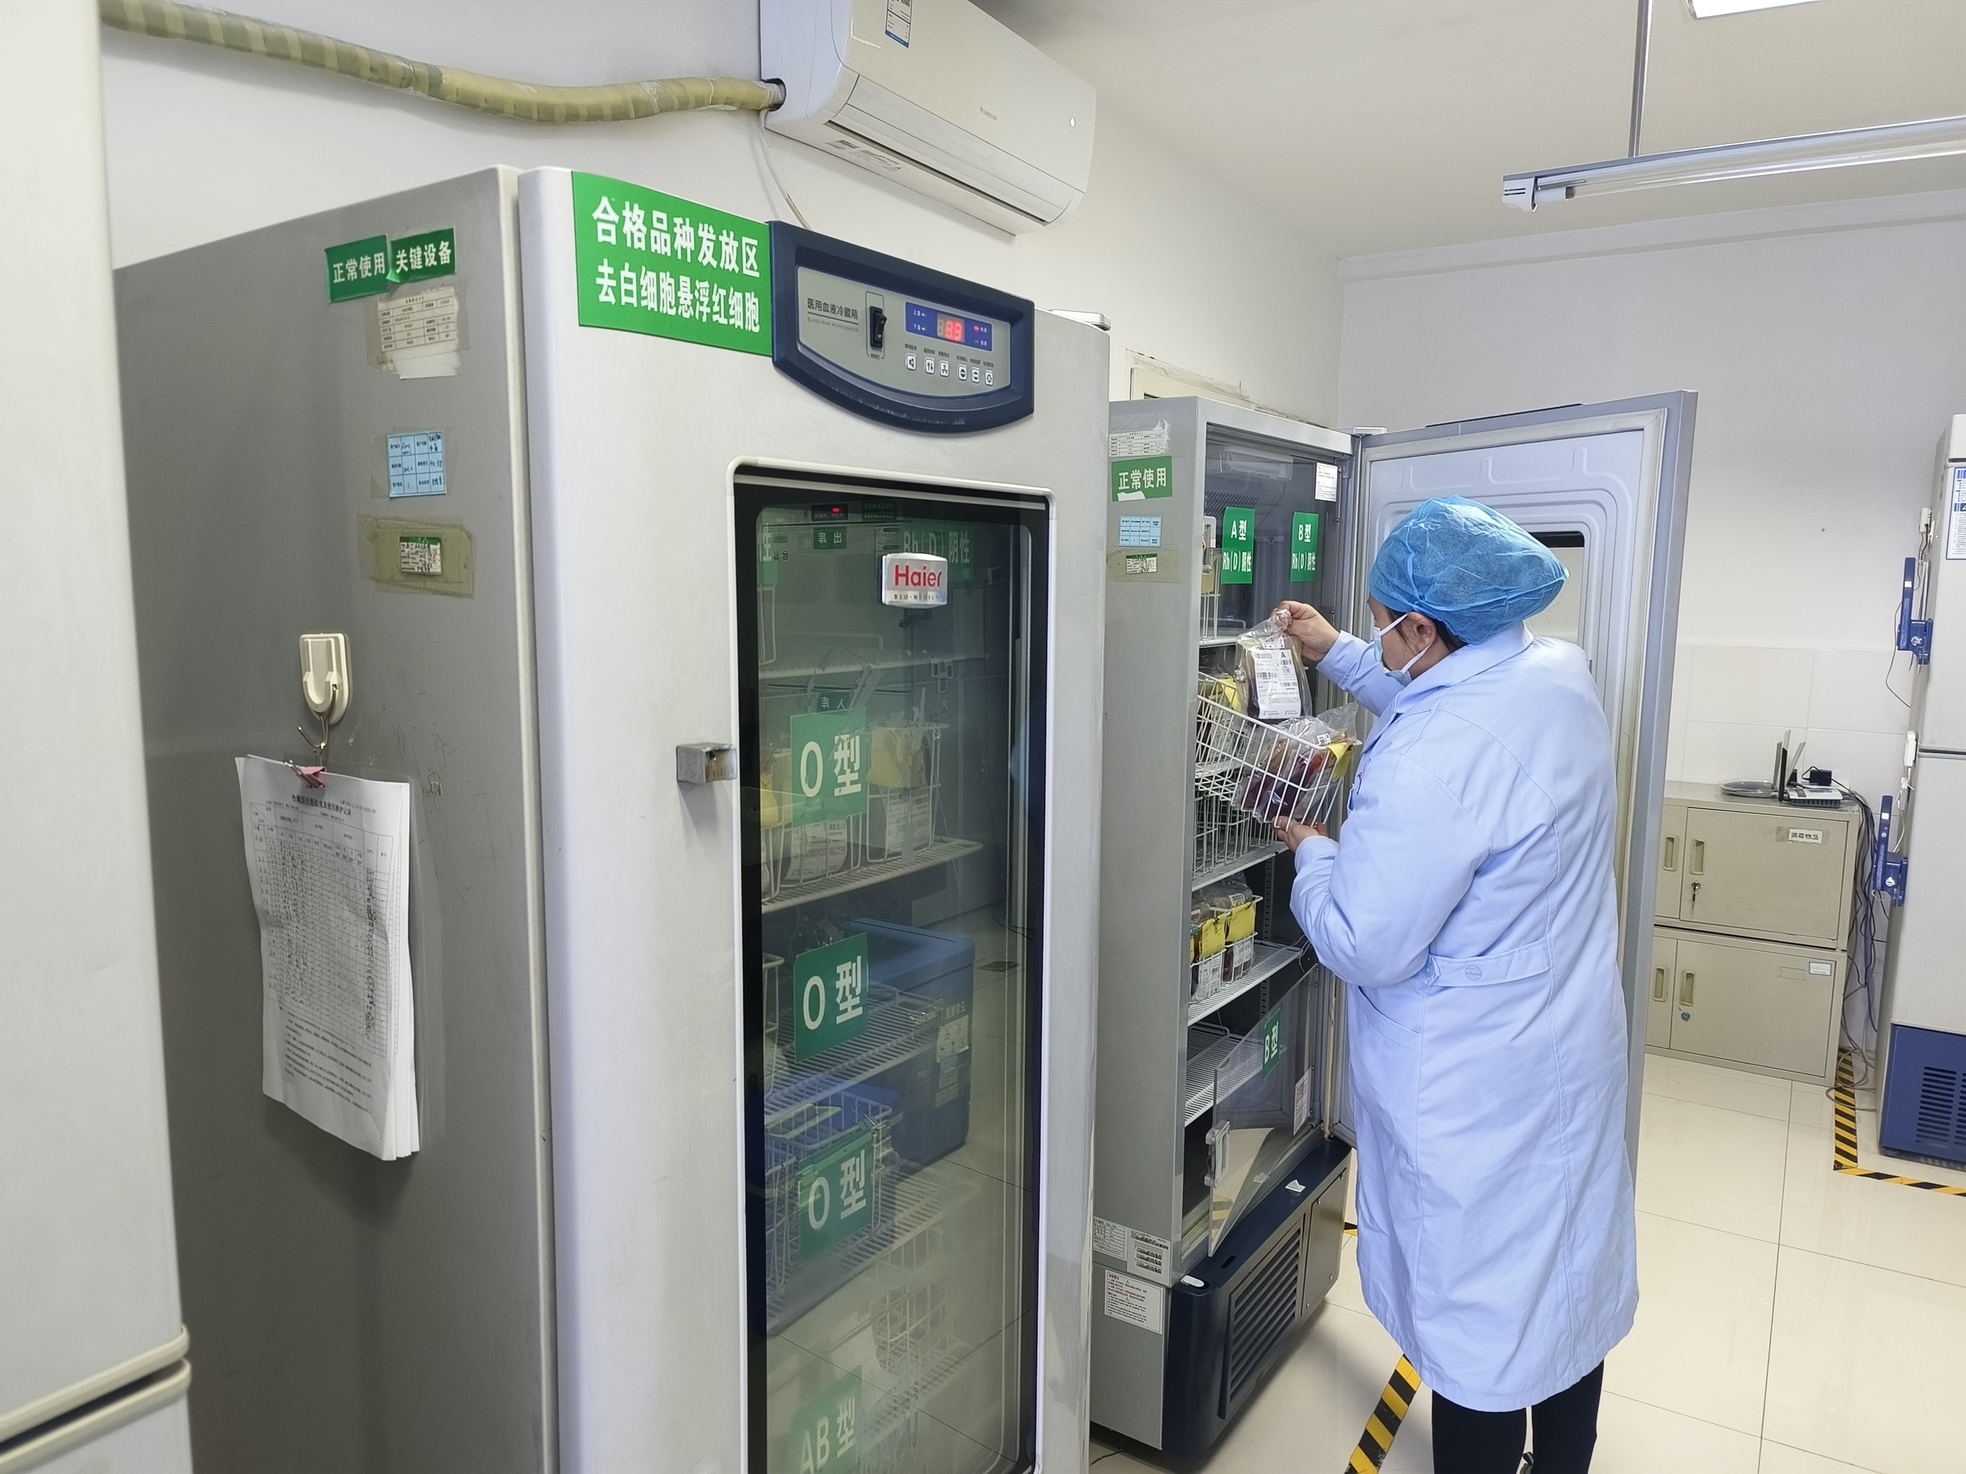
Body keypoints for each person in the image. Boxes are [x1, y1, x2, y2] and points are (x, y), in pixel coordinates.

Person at [1272, 497, 1637, 1474]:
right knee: (1562, 1295)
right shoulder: (1553, 674)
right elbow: (1440, 695)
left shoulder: (1434, 761)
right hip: (1563, 1048)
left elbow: (1364, 941)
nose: (1383, 638)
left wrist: (1312, 854)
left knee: (1481, 1335)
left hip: (1476, 1087)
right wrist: (1340, 651)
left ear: (1424, 630)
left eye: (1384, 625)